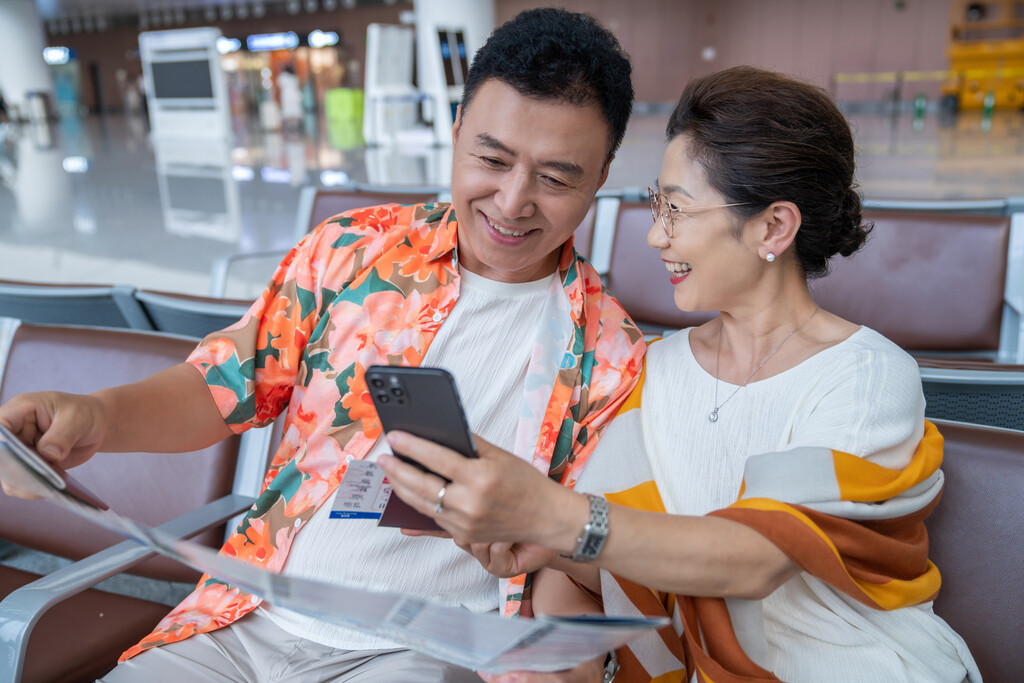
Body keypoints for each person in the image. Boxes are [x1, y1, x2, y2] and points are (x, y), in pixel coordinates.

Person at [0, 9, 644, 681]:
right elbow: (223, 382)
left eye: (556, 178)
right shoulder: (352, 249)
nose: (512, 201)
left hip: (423, 650)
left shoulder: (613, 358)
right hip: (245, 614)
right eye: (492, 159)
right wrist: (97, 415)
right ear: (455, 135)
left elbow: (575, 556)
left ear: (599, 177)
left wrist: (564, 657)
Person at [379, 67, 982, 683]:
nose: (654, 234)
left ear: (773, 227)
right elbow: (603, 565)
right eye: (655, 204)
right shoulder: (655, 370)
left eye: (677, 210)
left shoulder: (865, 379)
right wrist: (555, 583)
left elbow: (758, 558)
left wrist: (556, 518)